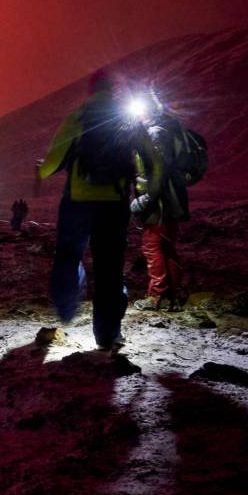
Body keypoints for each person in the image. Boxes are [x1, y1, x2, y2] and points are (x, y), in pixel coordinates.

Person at [37, 69, 155, 351]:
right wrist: (146, 188)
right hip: (114, 205)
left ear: (91, 90)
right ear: (114, 90)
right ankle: (107, 335)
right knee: (109, 271)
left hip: (77, 202)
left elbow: (52, 163)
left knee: (68, 255)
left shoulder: (78, 116)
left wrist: (41, 171)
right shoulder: (127, 119)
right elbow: (151, 160)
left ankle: (67, 306)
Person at [131, 104, 194, 312]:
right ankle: (171, 297)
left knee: (152, 246)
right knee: (167, 248)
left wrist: (144, 200)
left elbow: (158, 171)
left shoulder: (155, 135)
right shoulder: (167, 131)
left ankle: (157, 296)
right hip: (171, 202)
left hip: (159, 204)